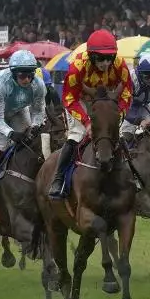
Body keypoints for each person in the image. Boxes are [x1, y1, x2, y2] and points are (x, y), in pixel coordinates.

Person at [48, 29, 133, 199]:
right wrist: (87, 122)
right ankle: (58, 179)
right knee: (76, 135)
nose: (105, 63)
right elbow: (69, 98)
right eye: (100, 59)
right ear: (92, 56)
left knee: (120, 133)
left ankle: (133, 176)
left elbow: (127, 93)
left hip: (105, 100)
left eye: (109, 58)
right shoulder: (77, 67)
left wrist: (119, 116)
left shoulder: (120, 65)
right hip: (79, 101)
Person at [0, 49, 46, 206]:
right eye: (21, 75)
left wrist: (34, 126)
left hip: (19, 110)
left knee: (29, 140)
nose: (26, 80)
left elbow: (38, 111)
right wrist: (10, 133)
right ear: (13, 73)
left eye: (29, 75)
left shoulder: (38, 85)